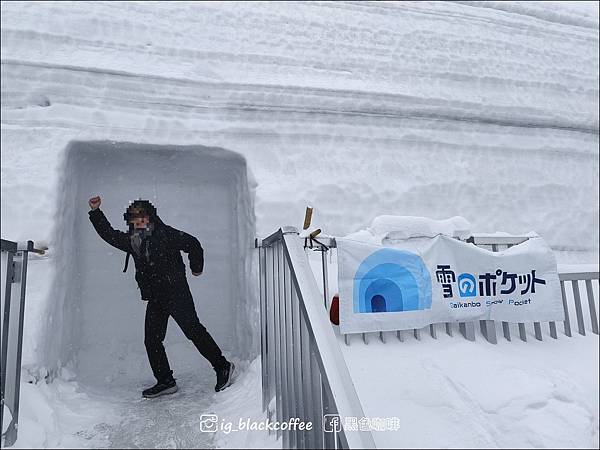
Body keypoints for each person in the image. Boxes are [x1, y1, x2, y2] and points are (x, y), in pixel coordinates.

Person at [87, 195, 234, 398]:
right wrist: (96, 213)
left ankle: (223, 367)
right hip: (156, 297)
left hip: (176, 293)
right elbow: (109, 235)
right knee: (152, 340)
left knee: (193, 331)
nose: (139, 222)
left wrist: (196, 268)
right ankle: (165, 380)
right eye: (134, 219)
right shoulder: (134, 241)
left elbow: (193, 244)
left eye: (142, 217)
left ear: (151, 217)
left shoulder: (166, 234)